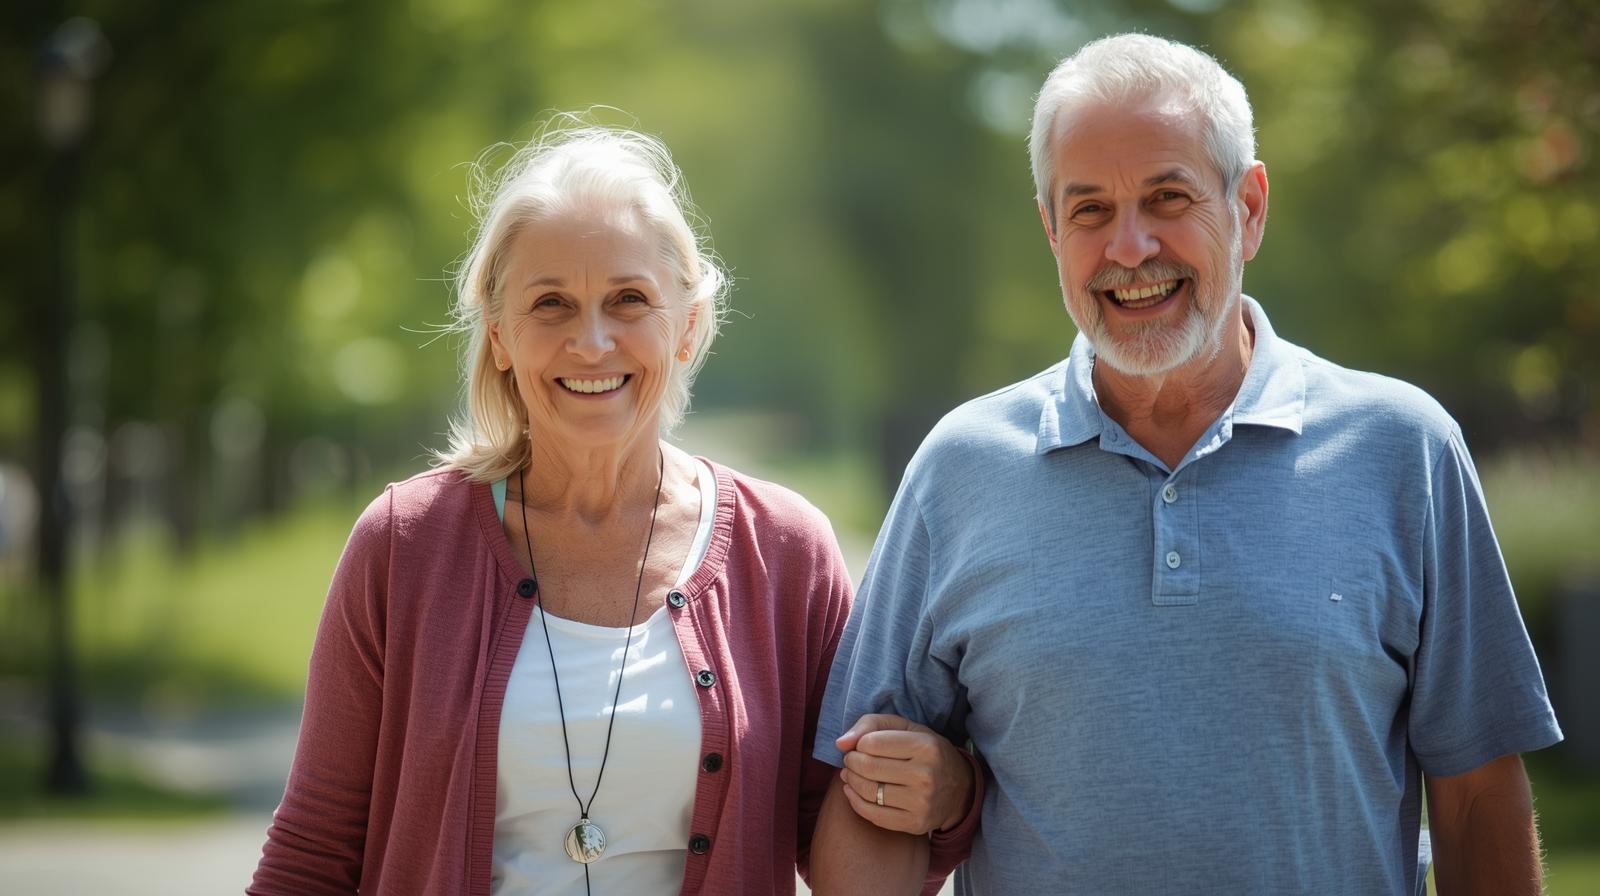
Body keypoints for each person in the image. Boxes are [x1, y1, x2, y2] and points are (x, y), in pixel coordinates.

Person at [809, 33, 1562, 896]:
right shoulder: (960, 469)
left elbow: (1476, 801)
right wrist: (934, 794)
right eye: (1089, 210)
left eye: (1168, 198)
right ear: (1051, 229)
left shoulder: (1404, 448)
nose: (1130, 248)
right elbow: (869, 797)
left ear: (1248, 207)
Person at [250, 121, 973, 895]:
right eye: (551, 304)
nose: (591, 342)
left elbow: (845, 847)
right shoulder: (402, 546)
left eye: (628, 300)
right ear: (498, 335)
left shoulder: (786, 552)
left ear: (688, 326)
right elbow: (314, 851)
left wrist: (950, 793)